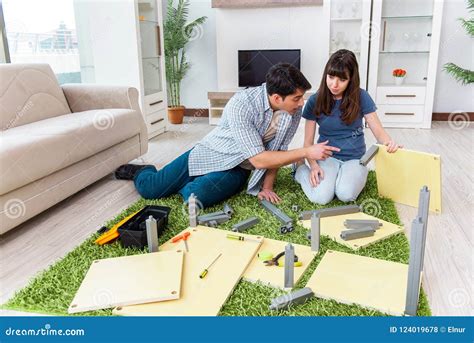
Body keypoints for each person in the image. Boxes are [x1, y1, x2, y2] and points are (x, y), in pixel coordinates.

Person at [115, 63, 340, 207]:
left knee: (195, 198)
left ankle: (191, 183)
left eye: (302, 97)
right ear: (277, 97)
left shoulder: (292, 109)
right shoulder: (242, 104)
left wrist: (267, 187)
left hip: (239, 167)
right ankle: (143, 170)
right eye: (297, 98)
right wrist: (306, 151)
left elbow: (277, 151)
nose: (302, 102)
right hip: (210, 153)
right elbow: (260, 159)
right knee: (151, 190)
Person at [294, 49, 402, 205]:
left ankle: (340, 178)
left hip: (355, 158)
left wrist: (389, 143)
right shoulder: (314, 100)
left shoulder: (361, 97)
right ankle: (299, 169)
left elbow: (378, 131)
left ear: (351, 79)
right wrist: (313, 165)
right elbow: (308, 142)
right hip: (326, 157)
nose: (334, 84)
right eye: (331, 77)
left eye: (342, 79)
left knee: (345, 195)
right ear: (326, 75)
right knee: (321, 197)